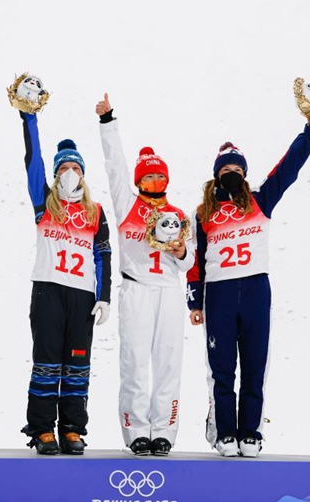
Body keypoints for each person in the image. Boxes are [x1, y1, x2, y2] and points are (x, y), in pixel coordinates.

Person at [186, 105, 310, 457]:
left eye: (236, 169)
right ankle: (224, 433)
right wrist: (194, 301)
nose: (231, 174)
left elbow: (288, 168)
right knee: (222, 368)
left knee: (255, 363)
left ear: (245, 173)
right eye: (225, 170)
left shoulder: (260, 200)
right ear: (216, 175)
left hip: (256, 290)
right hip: (220, 292)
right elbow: (195, 259)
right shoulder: (204, 212)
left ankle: (251, 432)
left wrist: (309, 132)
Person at [95, 93, 193, 456]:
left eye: (158, 176)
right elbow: (115, 167)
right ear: (140, 180)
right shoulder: (127, 205)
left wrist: (181, 251)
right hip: (136, 289)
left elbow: (190, 260)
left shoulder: (177, 215)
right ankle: (136, 429)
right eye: (148, 176)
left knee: (168, 362)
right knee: (135, 361)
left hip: (168, 290)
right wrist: (108, 123)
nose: (153, 181)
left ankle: (164, 429)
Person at [17, 109, 112, 455]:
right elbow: (33, 160)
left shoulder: (95, 211)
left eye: (75, 169)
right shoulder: (45, 203)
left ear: (83, 175)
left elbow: (103, 253)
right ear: (56, 175)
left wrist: (104, 296)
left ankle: (73, 428)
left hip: (82, 296)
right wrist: (29, 119)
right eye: (64, 169)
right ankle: (42, 429)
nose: (70, 174)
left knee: (77, 363)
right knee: (47, 360)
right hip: (48, 289)